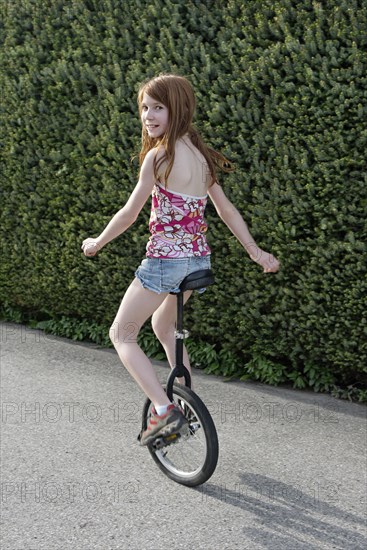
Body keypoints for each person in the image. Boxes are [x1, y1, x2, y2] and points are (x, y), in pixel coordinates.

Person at [81, 74, 280, 445]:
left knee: (121, 334)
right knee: (164, 327)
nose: (148, 115)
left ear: (179, 109)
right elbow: (227, 211)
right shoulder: (201, 157)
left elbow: (129, 214)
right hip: (197, 263)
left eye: (158, 107)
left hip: (164, 263)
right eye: (144, 107)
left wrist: (97, 242)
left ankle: (164, 410)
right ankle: (185, 405)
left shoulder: (159, 156)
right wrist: (255, 251)